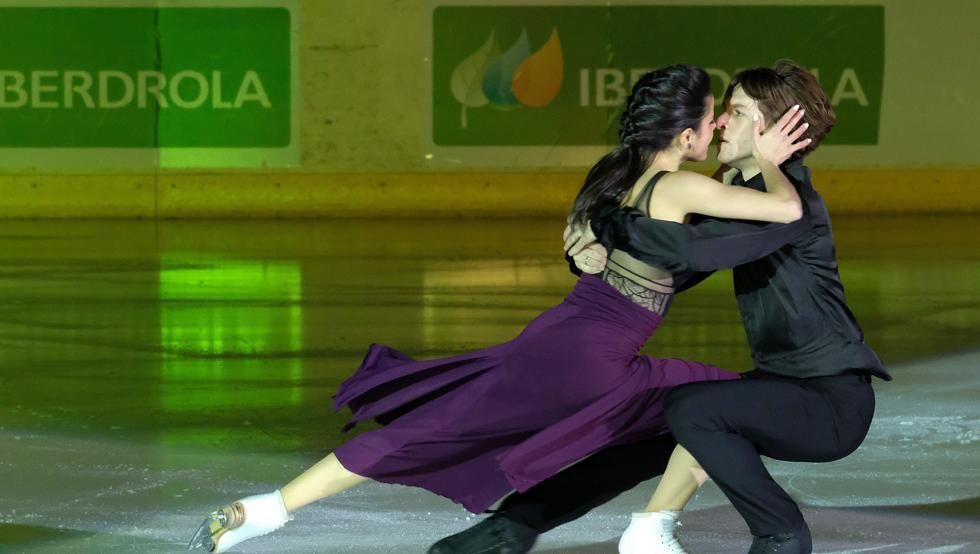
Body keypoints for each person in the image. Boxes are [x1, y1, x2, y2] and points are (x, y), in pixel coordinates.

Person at [186, 64, 810, 553]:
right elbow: (785, 212)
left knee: (424, 429)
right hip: (600, 359)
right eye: (712, 119)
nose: (721, 127)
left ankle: (262, 510)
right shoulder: (681, 186)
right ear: (686, 136)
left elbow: (595, 252)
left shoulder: (616, 176)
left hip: (555, 336)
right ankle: (651, 528)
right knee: (720, 403)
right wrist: (776, 164)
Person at [429, 60, 890, 554]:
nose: (718, 124)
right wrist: (598, 253)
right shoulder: (747, 195)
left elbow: (692, 251)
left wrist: (607, 219)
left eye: (734, 112)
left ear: (772, 128)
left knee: (692, 406)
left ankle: (780, 534)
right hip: (782, 388)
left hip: (829, 402)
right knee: (653, 423)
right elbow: (677, 269)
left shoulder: (792, 206)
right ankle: (512, 528)